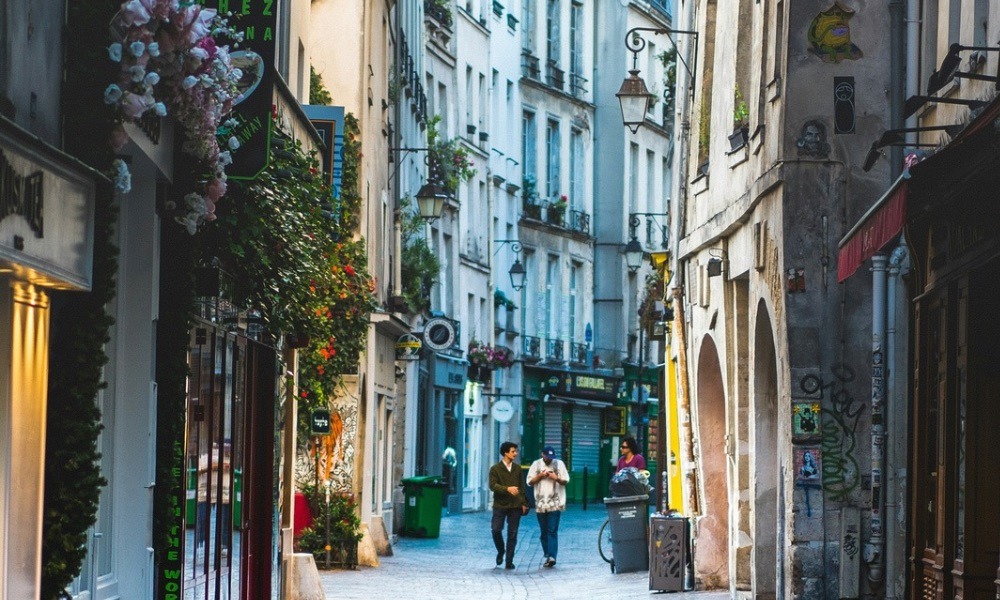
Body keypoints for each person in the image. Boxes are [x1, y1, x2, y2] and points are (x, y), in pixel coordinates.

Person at [527, 446, 570, 568]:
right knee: (544, 531)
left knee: (552, 530)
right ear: (542, 455)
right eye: (547, 457)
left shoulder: (559, 464)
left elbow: (566, 481)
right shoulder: (536, 464)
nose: (549, 460)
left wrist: (555, 478)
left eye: (551, 457)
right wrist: (541, 475)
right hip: (540, 503)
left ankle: (552, 556)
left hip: (555, 503)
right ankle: (547, 553)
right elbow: (529, 482)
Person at [488, 441, 528, 570]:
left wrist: (523, 503)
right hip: (500, 504)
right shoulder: (495, 469)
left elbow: (522, 487)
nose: (515, 454)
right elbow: (492, 485)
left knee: (513, 533)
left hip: (515, 505)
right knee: (496, 530)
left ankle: (509, 561)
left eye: (516, 451)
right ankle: (501, 550)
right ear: (505, 453)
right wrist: (507, 489)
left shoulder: (517, 469)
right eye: (513, 451)